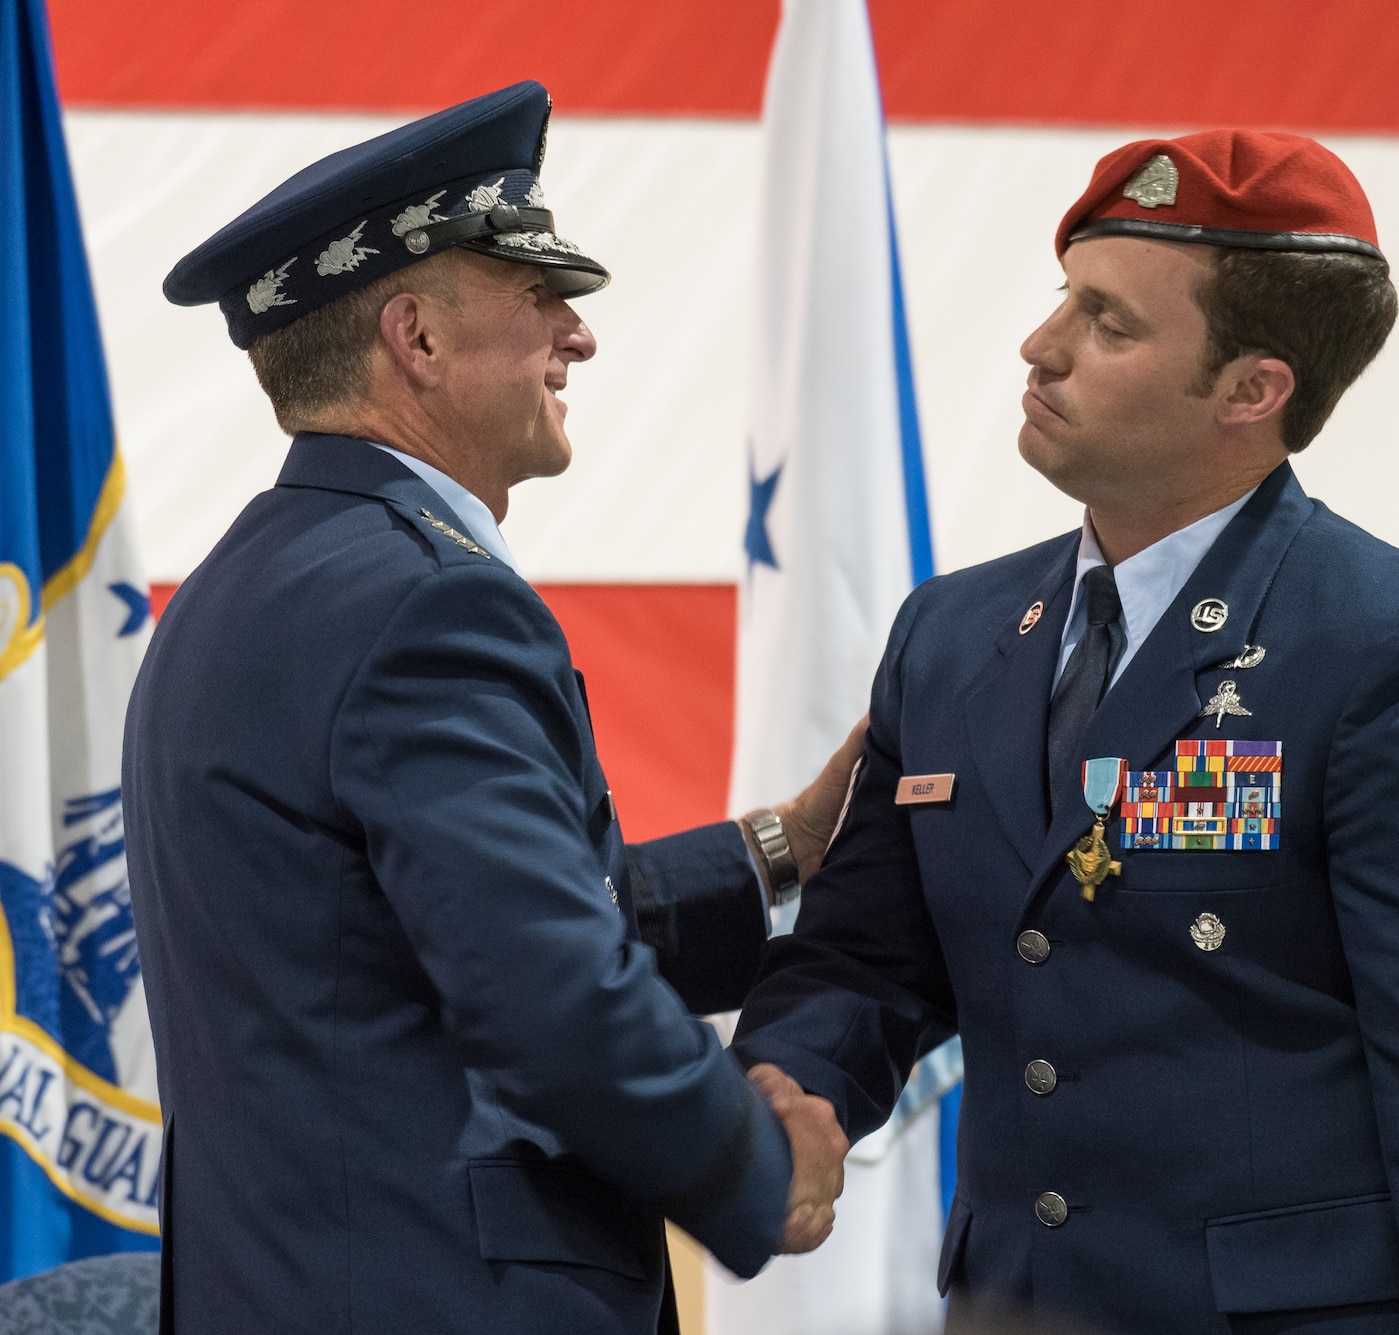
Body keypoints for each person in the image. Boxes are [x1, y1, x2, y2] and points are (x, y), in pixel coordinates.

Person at [729, 130, 1399, 1334]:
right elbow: (867, 959)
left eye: (1108, 323)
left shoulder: (1398, 653)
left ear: (1251, 390)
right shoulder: (950, 631)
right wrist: (793, 1095)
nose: (1040, 347)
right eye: (1061, 299)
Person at [125, 81, 856, 1334]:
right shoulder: (425, 606)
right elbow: (544, 986)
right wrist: (752, 1164)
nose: (577, 337)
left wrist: (780, 845)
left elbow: (435, 936)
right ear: (413, 337)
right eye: (539, 296)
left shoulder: (237, 593)